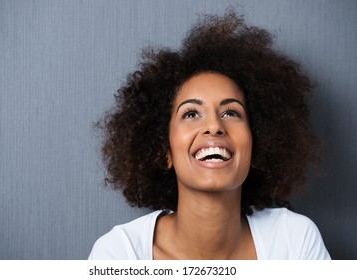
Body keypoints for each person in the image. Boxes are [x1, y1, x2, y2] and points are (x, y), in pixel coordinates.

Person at [89, 11, 331, 260]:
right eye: (192, 113)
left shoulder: (295, 242)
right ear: (164, 151)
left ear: (258, 144)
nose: (214, 126)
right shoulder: (119, 254)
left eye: (231, 112)